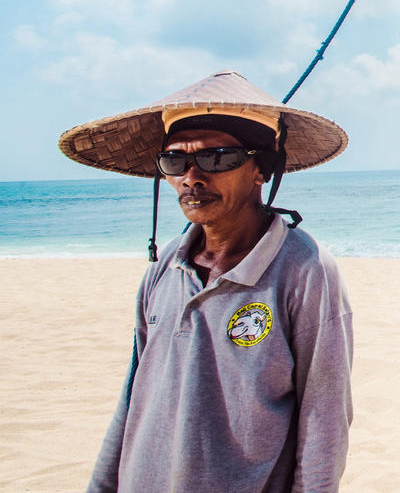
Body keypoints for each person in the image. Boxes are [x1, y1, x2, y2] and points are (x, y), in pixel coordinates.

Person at [59, 70, 354, 492]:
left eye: (217, 157)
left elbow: (324, 419)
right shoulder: (163, 269)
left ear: (261, 170)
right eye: (175, 160)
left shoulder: (304, 270)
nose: (192, 176)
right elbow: (133, 400)